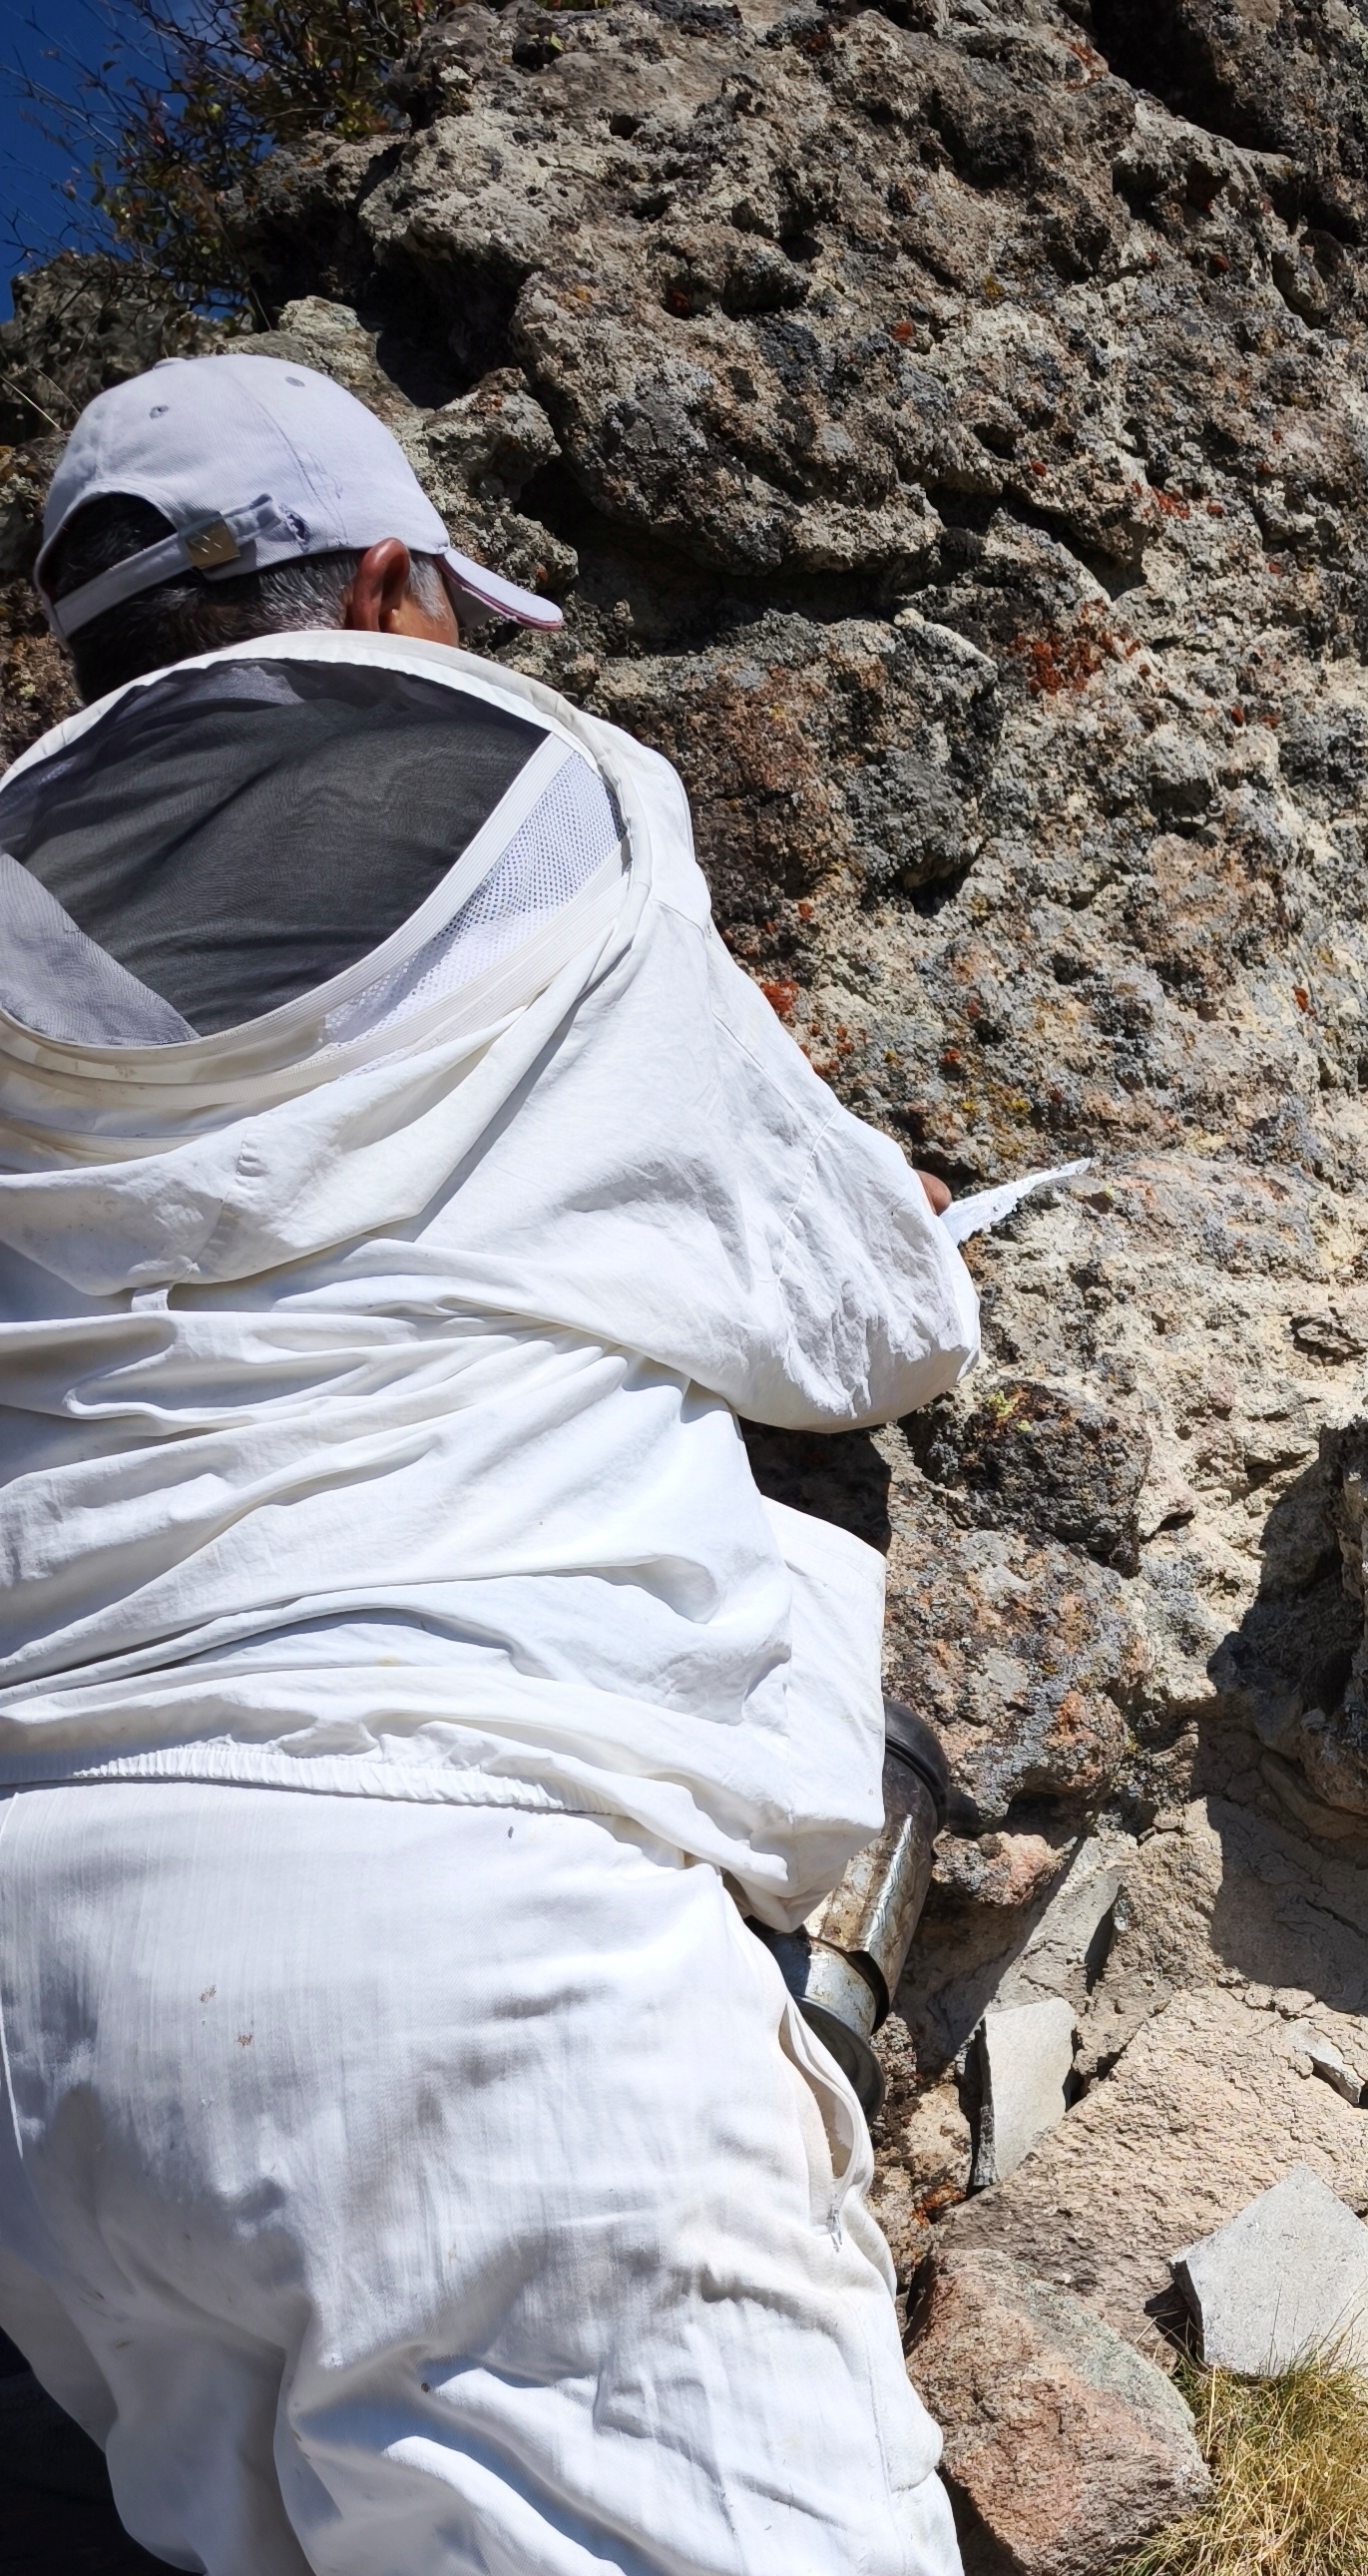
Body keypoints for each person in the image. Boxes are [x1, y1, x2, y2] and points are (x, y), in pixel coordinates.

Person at [0, 354, 976, 2575]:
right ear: (371, 578)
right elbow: (861, 1323)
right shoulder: (551, 790)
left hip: (42, 2011)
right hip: (469, 1952)